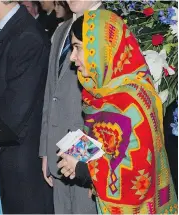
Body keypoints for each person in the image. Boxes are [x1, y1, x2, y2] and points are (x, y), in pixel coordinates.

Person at [58, 9, 178, 214]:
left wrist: (82, 168)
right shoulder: (105, 91)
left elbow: (133, 177)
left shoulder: (131, 103)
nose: (72, 58)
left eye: (78, 48)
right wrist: (79, 153)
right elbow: (108, 143)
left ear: (100, 48)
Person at [0, 0, 53, 213]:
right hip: (5, 150)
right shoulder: (9, 29)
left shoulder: (26, 36)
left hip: (19, 159)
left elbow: (17, 107)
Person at [39, 0, 101, 214]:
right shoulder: (61, 30)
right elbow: (50, 93)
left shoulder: (107, 29)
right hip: (57, 150)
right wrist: (46, 151)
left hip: (88, 154)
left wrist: (89, 166)